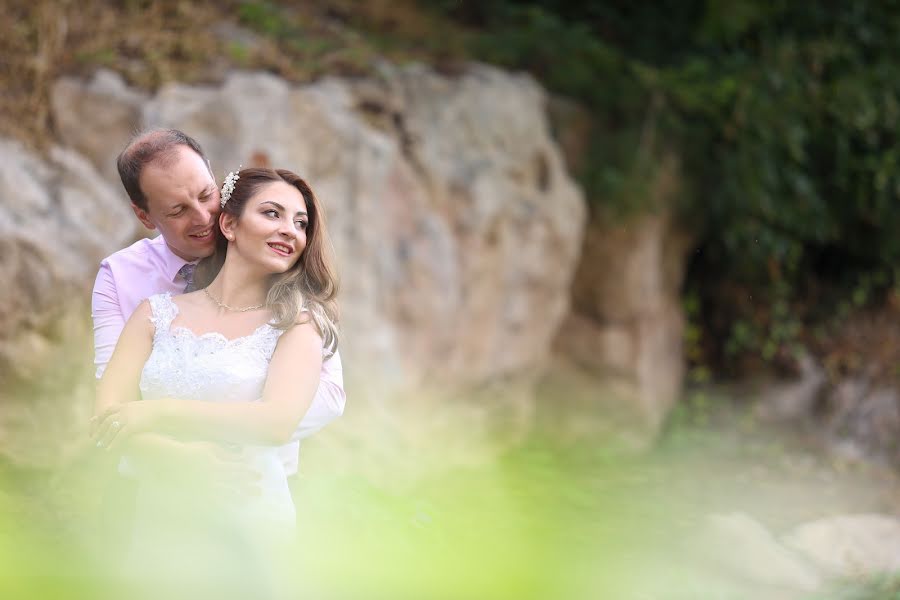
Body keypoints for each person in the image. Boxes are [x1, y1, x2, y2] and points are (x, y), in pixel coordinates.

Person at [91, 167, 337, 595]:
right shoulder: (154, 314)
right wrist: (181, 460)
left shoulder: (298, 324)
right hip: (158, 518)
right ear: (229, 223)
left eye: (301, 223)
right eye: (272, 213)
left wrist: (158, 411)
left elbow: (277, 421)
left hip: (249, 519)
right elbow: (107, 417)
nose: (290, 231)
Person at [91, 129, 345, 479]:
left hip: (250, 478)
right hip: (150, 478)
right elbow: (111, 409)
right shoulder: (122, 280)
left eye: (206, 195)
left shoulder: (290, 305)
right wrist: (184, 459)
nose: (202, 217)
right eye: (178, 210)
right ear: (145, 216)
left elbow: (327, 398)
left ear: (213, 176)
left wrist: (226, 436)